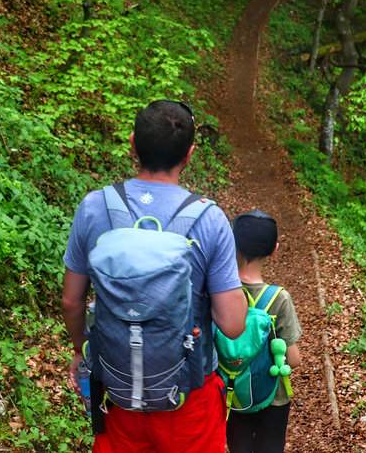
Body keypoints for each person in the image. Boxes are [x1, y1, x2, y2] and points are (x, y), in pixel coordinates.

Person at [61, 99, 247, 453]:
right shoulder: (209, 220)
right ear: (189, 154)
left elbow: (71, 301)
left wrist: (79, 349)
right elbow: (233, 324)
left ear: (132, 144)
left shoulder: (94, 208)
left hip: (117, 395)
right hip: (189, 400)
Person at [226, 211, 302, 453]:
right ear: (274, 250)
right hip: (274, 397)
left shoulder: (222, 291)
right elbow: (293, 359)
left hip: (231, 393)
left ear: (232, 244)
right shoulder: (279, 299)